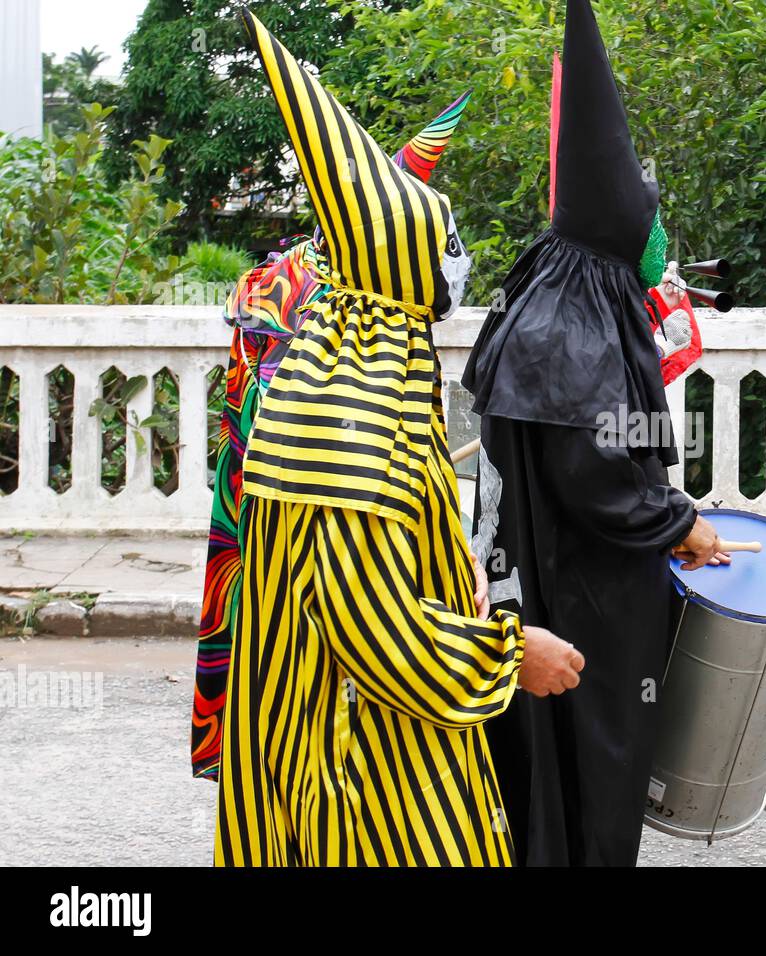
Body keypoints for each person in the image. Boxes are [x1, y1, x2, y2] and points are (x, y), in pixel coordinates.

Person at [214, 8, 582, 866]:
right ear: (403, 257)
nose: (457, 259)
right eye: (445, 242)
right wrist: (506, 655)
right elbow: (368, 629)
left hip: (332, 738)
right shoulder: (351, 411)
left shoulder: (352, 365)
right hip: (359, 770)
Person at [462, 0, 727, 865]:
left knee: (544, 767)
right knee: (581, 767)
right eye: (649, 212)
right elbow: (599, 472)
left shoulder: (560, 298)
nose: (658, 234)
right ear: (619, 220)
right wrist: (677, 521)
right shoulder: (570, 320)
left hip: (539, 587)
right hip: (576, 602)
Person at [191, 91, 471, 781]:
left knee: (268, 662)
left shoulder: (275, 275)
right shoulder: (363, 301)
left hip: (257, 498)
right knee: (331, 692)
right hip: (319, 502)